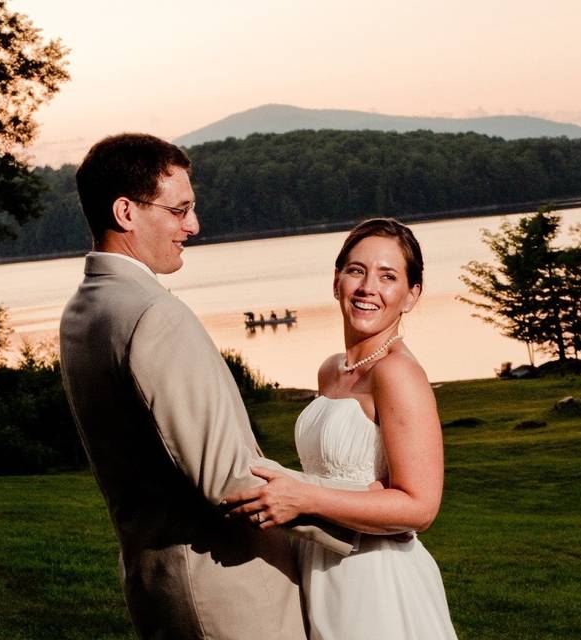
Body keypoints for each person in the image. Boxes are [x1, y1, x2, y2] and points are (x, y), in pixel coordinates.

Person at [59, 133, 362, 640]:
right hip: (225, 596)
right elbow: (230, 481)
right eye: (179, 211)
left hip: (156, 584)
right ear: (126, 212)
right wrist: (357, 516)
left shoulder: (82, 311)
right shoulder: (155, 315)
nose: (193, 226)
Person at [225, 218, 458, 639]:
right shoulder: (332, 370)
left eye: (388, 276)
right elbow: (333, 476)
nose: (369, 287)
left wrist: (303, 497)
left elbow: (420, 507)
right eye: (357, 270)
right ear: (337, 282)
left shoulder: (398, 373)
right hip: (320, 565)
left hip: (376, 579)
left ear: (411, 295)